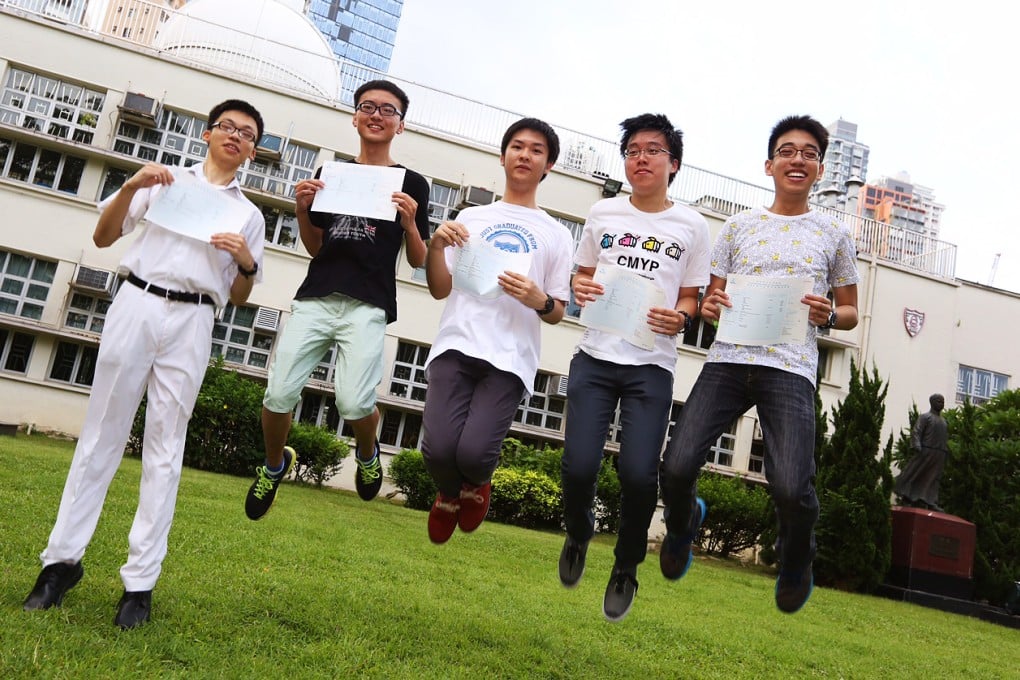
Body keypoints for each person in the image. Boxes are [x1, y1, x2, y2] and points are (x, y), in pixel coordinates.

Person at [24, 99, 267, 629]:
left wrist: (245, 260)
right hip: (137, 300)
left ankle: (140, 585)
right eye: (227, 127)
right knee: (101, 435)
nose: (235, 137)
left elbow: (242, 293)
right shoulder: (162, 180)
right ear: (207, 134)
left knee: (165, 446)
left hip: (195, 317)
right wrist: (132, 186)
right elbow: (103, 237)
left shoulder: (248, 214)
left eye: (247, 135)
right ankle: (59, 564)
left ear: (252, 152)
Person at [659, 115, 860, 614]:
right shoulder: (738, 227)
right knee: (678, 464)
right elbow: (715, 296)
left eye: (809, 153)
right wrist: (708, 306)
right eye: (787, 151)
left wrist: (830, 313)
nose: (798, 159)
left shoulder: (833, 233)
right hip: (728, 360)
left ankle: (796, 559)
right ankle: (684, 525)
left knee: (792, 487)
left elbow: (851, 312)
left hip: (790, 368)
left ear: (819, 170)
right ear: (769, 164)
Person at [245, 80, 429, 520]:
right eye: (368, 107)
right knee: (277, 394)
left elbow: (420, 259)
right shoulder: (332, 173)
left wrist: (409, 224)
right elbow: (316, 246)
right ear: (355, 117)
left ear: (400, 125)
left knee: (353, 403)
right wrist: (302, 211)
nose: (377, 115)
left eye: (388, 110)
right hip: (317, 295)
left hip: (368, 302)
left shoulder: (412, 183)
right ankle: (274, 465)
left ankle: (368, 453)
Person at [558, 114, 710, 622]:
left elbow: (691, 296)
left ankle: (626, 567)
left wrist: (681, 316)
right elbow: (582, 275)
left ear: (674, 163)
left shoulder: (691, 226)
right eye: (632, 150)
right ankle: (579, 532)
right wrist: (580, 289)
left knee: (640, 476)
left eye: (653, 150)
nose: (641, 158)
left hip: (651, 365)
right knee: (579, 466)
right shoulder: (603, 213)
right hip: (596, 357)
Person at [421, 118, 573, 544]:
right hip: (457, 342)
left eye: (536, 150)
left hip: (509, 356)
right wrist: (436, 245)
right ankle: (450, 494)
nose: (525, 155)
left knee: (473, 452)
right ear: (503, 155)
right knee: (436, 450)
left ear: (549, 165)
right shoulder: (472, 216)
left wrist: (536, 298)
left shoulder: (558, 235)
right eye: (518, 147)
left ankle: (475, 484)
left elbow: (558, 309)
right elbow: (439, 288)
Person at [894, 393, 949, 511]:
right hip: (926, 450)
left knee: (933, 479)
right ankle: (906, 496)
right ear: (932, 402)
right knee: (915, 473)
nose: (941, 403)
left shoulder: (944, 421)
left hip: (939, 454)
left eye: (943, 401)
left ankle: (930, 501)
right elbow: (916, 431)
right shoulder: (925, 417)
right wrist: (917, 445)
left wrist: (945, 452)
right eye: (939, 401)